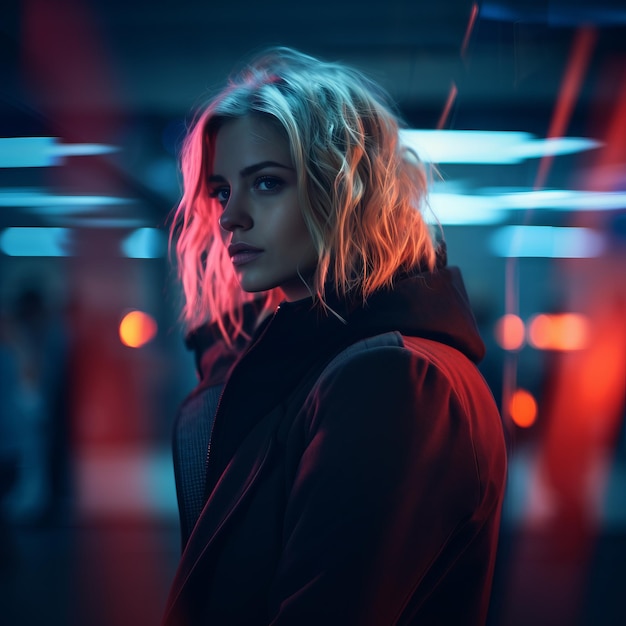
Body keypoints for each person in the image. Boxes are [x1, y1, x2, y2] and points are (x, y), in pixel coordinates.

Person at [163, 47, 507, 626]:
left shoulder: (392, 379)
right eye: (222, 191)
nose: (230, 217)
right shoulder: (313, 365)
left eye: (267, 183)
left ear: (345, 189)